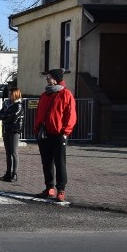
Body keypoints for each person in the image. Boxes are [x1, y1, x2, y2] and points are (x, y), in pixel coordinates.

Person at [34, 69, 77, 202]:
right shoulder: (45, 95)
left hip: (59, 134)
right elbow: (39, 114)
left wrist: (65, 132)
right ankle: (49, 188)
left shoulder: (66, 94)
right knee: (46, 162)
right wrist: (37, 129)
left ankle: (61, 190)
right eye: (47, 76)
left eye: (49, 76)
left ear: (56, 78)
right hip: (45, 134)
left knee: (60, 162)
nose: (47, 78)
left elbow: (71, 115)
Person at [0, 87, 25, 182]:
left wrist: (5, 117)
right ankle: (8, 173)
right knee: (8, 153)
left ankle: (14, 174)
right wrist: (6, 116)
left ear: (15, 94)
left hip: (15, 130)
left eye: (11, 94)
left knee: (14, 153)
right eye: (9, 94)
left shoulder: (19, 105)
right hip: (7, 129)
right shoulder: (7, 104)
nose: (9, 96)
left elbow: (13, 117)